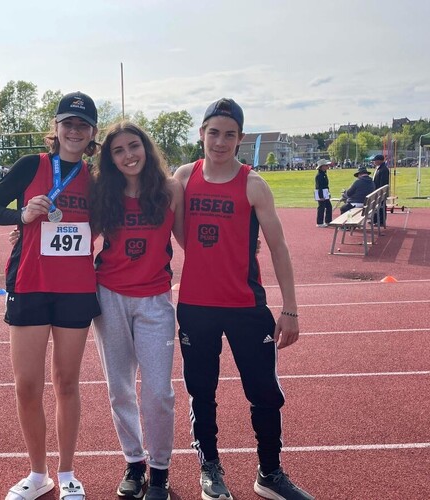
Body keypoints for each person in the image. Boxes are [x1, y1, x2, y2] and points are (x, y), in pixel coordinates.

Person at [173, 98, 313, 500]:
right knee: (202, 391)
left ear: (240, 139)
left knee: (264, 392)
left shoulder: (253, 183)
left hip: (246, 307)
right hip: (196, 307)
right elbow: (157, 219)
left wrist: (290, 309)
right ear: (201, 134)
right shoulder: (183, 178)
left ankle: (269, 473)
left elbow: (279, 248)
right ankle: (210, 469)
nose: (220, 141)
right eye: (213, 132)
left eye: (229, 134)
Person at [0, 91, 100, 500]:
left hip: (76, 290)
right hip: (29, 284)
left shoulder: (97, 178)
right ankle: (38, 473)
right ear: (56, 128)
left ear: (92, 133)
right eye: (68, 123)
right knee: (26, 385)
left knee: (67, 382)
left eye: (82, 125)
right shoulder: (32, 165)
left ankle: (66, 474)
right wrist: (22, 216)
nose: (74, 131)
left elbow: (105, 223)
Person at [89, 122, 184, 500]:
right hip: (109, 296)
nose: (129, 155)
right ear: (110, 159)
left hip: (155, 301)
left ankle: (159, 469)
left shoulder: (170, 190)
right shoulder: (103, 194)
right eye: (119, 150)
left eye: (134, 146)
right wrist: (26, 231)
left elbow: (191, 239)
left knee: (159, 392)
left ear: (146, 148)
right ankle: (134, 463)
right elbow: (80, 236)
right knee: (120, 389)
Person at [371, 154, 389, 226]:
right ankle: (375, 220)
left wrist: (381, 192)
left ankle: (381, 221)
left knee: (381, 206)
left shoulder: (384, 169)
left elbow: (383, 182)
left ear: (379, 161)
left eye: (375, 160)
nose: (374, 162)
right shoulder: (378, 168)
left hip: (381, 192)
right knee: (376, 206)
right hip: (376, 191)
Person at [314, 159, 333, 227]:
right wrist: (321, 196)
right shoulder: (319, 175)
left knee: (329, 207)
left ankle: (328, 221)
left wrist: (328, 193)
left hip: (325, 192)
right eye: (326, 165)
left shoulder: (324, 174)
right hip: (321, 192)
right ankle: (319, 222)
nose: (327, 166)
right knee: (321, 207)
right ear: (322, 166)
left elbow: (326, 186)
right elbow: (319, 187)